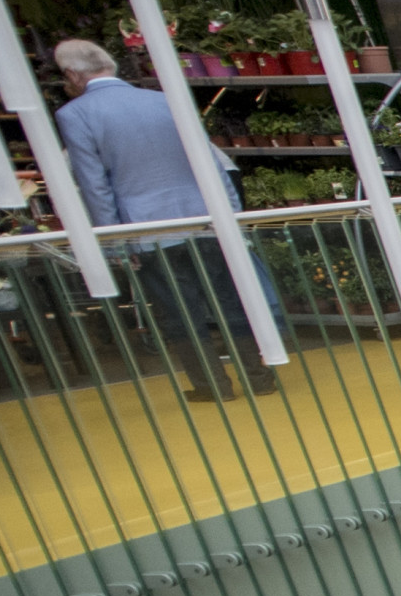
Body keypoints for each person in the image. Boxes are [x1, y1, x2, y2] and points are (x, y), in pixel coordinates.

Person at [52, 34, 269, 402]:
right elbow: (209, 161)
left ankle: (211, 385)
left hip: (148, 227)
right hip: (205, 217)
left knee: (178, 311)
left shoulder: (74, 114)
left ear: (72, 74)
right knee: (230, 300)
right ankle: (258, 376)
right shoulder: (165, 100)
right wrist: (230, 212)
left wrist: (115, 244)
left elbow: (94, 186)